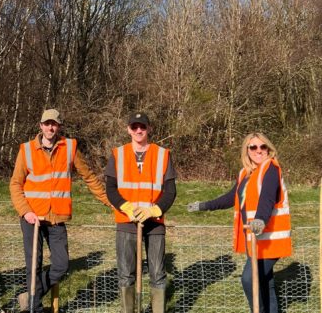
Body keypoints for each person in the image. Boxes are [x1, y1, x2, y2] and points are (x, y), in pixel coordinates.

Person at [10, 108, 112, 312]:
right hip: (32, 218)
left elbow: (89, 176)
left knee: (62, 265)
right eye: (47, 123)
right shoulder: (27, 150)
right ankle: (35, 308)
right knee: (34, 265)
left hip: (56, 218)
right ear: (40, 126)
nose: (50, 127)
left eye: (54, 123)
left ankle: (30, 296)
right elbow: (15, 184)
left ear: (59, 126)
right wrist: (26, 211)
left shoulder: (70, 147)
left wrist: (109, 201)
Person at [188, 133, 291, 313]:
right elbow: (231, 198)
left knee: (249, 279)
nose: (258, 150)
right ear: (247, 150)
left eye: (262, 146)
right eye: (253, 147)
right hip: (255, 239)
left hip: (271, 238)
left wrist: (260, 219)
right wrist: (204, 205)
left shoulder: (271, 168)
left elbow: (267, 198)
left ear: (269, 148)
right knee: (265, 281)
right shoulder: (246, 174)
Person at [105, 112, 176, 313]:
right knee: (126, 273)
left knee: (157, 273)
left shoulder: (163, 154)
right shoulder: (118, 154)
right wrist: (126, 207)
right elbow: (111, 188)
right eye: (134, 127)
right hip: (126, 221)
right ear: (128, 129)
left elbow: (171, 191)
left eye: (142, 127)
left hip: (154, 223)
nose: (138, 130)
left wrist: (155, 210)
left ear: (149, 129)